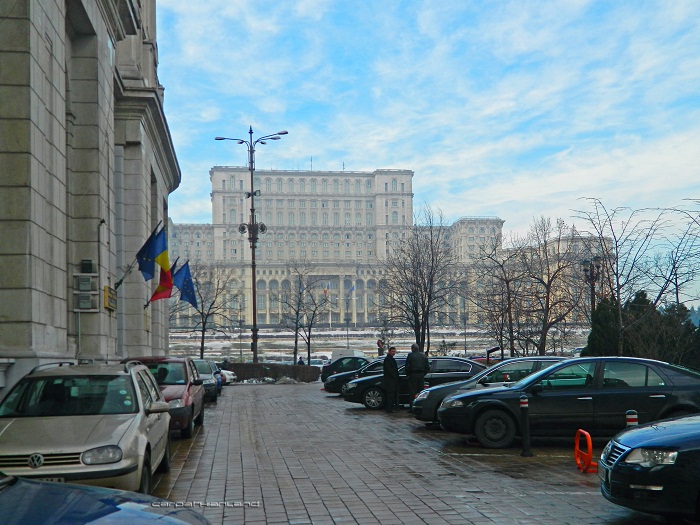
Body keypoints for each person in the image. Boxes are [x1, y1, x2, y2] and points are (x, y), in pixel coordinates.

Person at [382, 346, 399, 413]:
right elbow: (389, 370)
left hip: (392, 381)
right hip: (390, 381)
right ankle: (389, 409)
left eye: (394, 351)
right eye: (392, 351)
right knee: (390, 395)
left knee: (392, 395)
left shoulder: (391, 359)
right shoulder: (388, 359)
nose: (393, 353)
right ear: (389, 351)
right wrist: (394, 376)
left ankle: (390, 408)